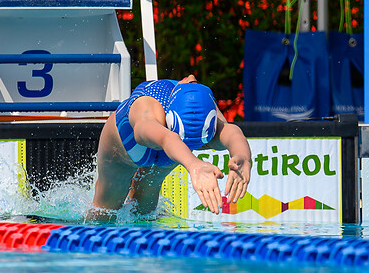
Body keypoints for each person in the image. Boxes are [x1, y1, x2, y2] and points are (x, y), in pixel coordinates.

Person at [90, 75, 251, 219]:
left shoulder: (205, 110)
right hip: (126, 142)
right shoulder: (147, 109)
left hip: (172, 148)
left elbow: (232, 133)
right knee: (105, 212)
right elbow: (167, 138)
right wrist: (194, 165)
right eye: (185, 142)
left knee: (144, 210)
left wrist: (242, 157)